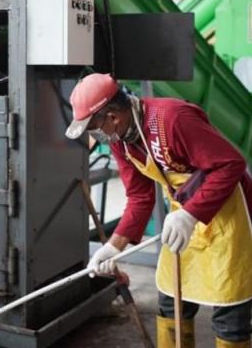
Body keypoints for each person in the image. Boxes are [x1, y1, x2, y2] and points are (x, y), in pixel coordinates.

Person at [65, 73, 252, 348]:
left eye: (94, 128)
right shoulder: (122, 141)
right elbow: (140, 197)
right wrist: (113, 248)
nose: (96, 137)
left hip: (224, 217)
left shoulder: (173, 119)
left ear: (113, 116)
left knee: (229, 311)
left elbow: (231, 164)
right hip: (181, 217)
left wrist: (191, 215)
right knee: (170, 298)